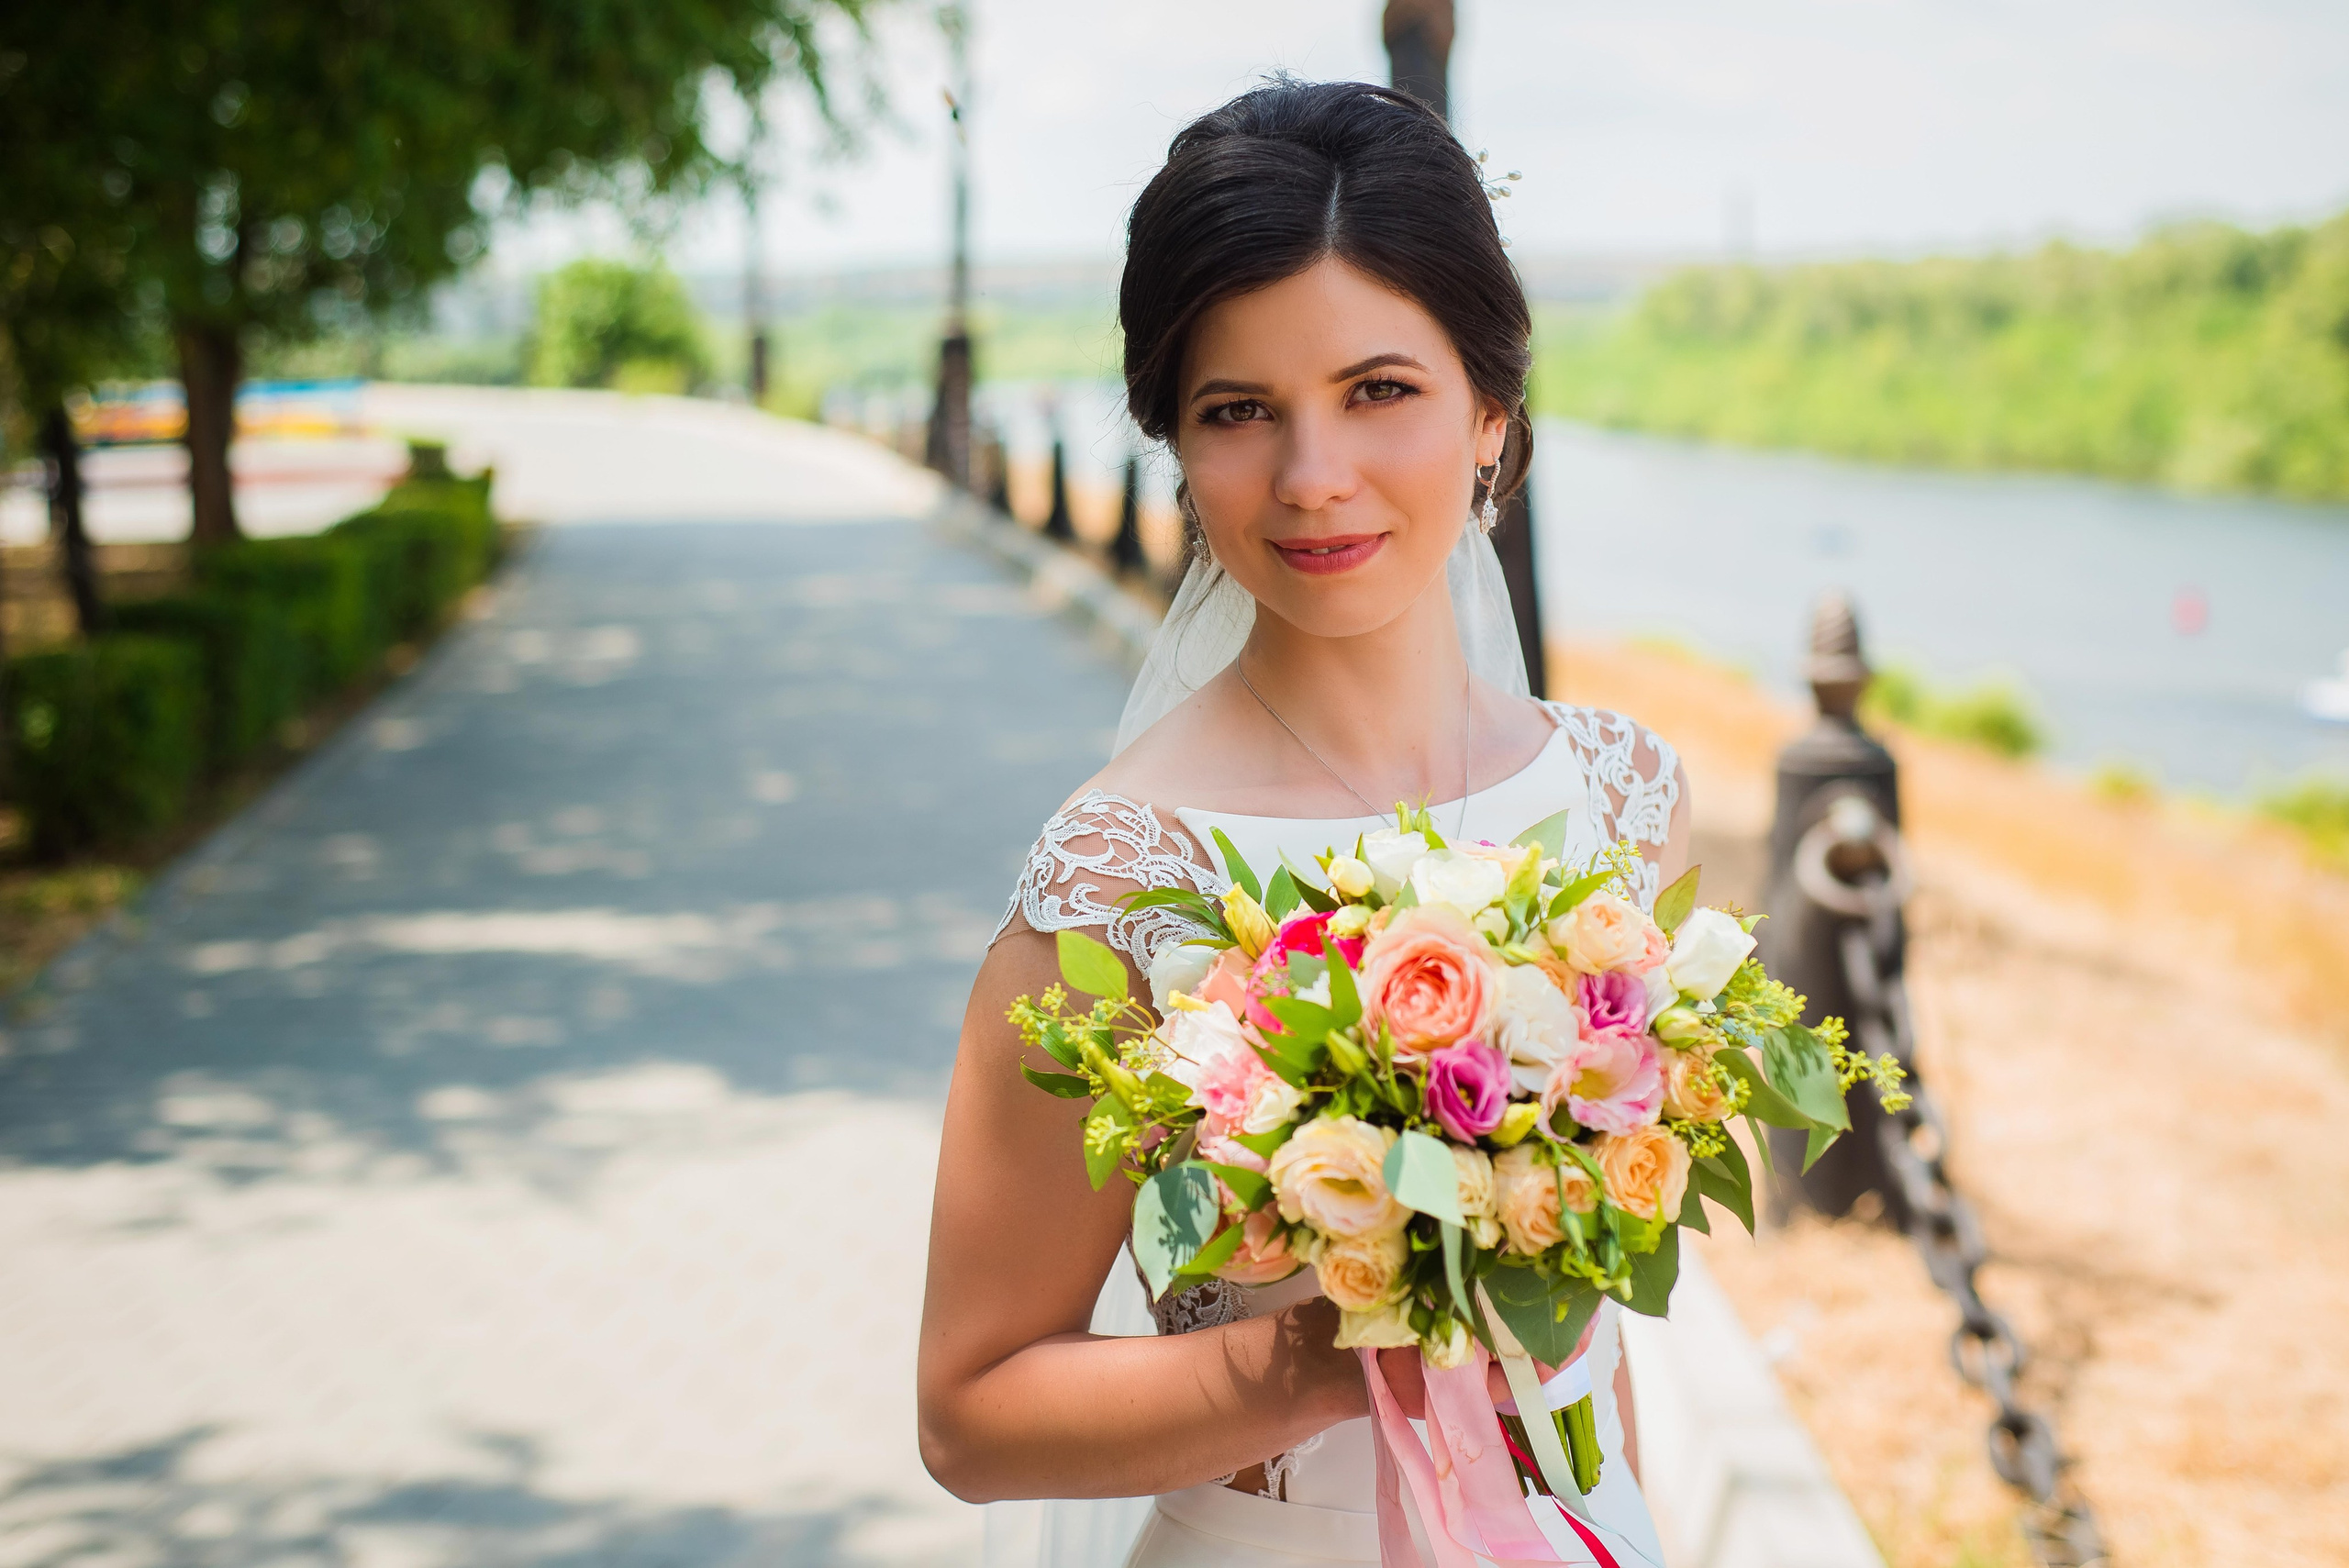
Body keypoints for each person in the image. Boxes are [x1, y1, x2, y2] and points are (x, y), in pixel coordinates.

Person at [918, 78, 1688, 1567]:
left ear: (1491, 409)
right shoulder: (1118, 875)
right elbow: (969, 1412)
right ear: (1178, 442)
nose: (1312, 476)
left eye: (1379, 390)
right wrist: (1339, 1350)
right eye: (1239, 412)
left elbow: (1594, 1339)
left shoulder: (1623, 800)